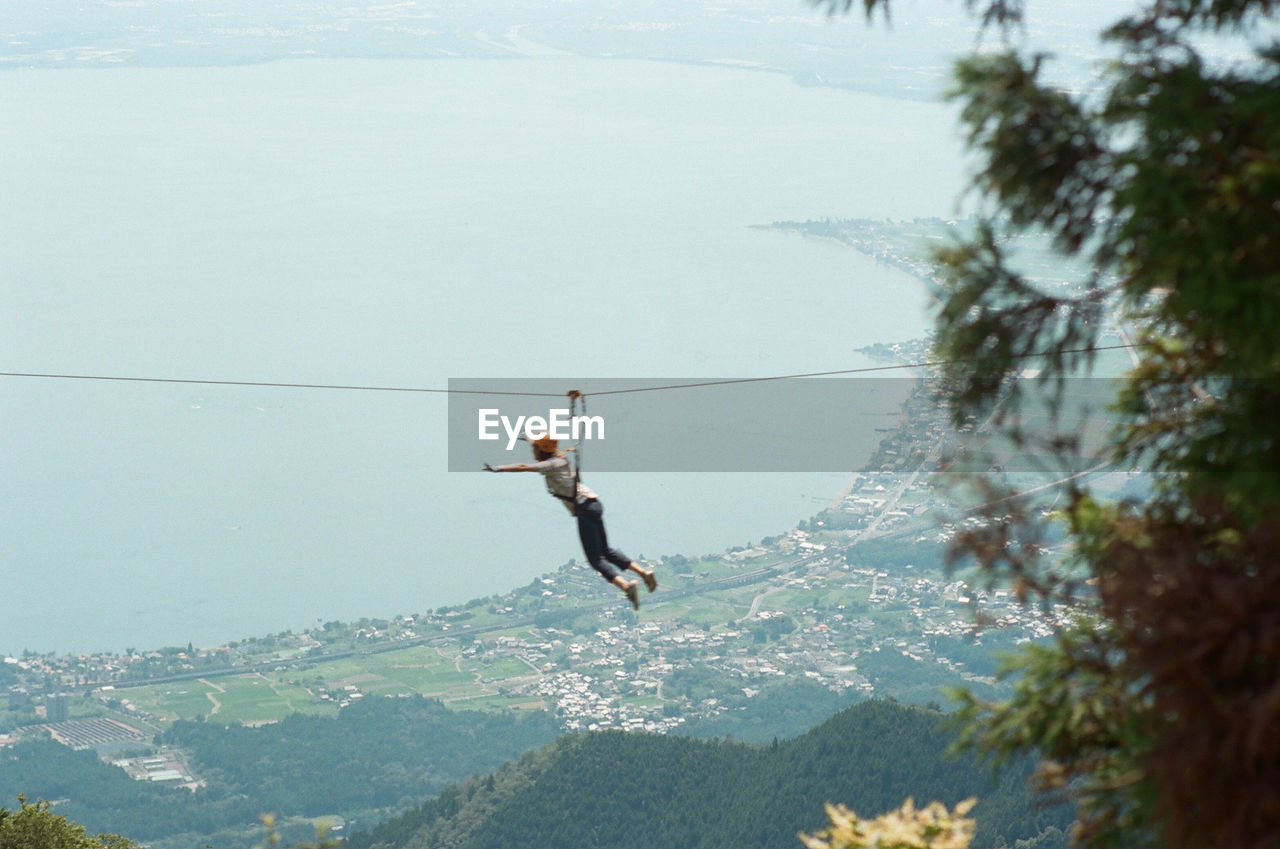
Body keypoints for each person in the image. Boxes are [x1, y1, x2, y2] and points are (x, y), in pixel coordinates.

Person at [485, 433, 657, 609]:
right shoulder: (560, 459)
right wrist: (526, 438)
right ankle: (644, 573)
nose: (533, 451)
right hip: (594, 503)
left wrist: (498, 468)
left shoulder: (550, 464)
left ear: (542, 450)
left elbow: (523, 467)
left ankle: (626, 586)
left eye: (534, 447)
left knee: (595, 560)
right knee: (606, 550)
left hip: (584, 511)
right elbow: (544, 447)